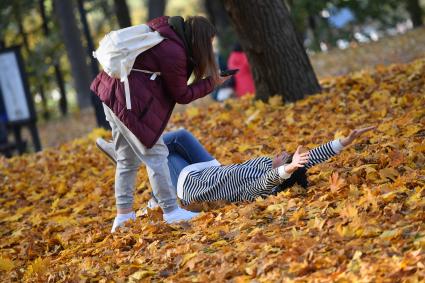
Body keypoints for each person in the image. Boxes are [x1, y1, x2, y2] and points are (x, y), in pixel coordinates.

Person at [91, 16, 230, 232]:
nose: (210, 49)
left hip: (112, 93)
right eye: (209, 44)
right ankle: (171, 211)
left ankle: (123, 215)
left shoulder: (166, 29)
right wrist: (211, 83)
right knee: (156, 155)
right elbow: (181, 94)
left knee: (127, 159)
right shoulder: (174, 51)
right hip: (128, 101)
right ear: (200, 40)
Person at [97, 126, 375, 207]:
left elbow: (266, 182)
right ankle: (131, 156)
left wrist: (285, 170)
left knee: (159, 153)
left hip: (193, 185)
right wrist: (343, 142)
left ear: (284, 170)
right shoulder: (269, 163)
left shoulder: (262, 188)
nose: (278, 153)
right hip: (211, 169)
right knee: (180, 136)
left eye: (283, 156)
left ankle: (127, 156)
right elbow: (311, 157)